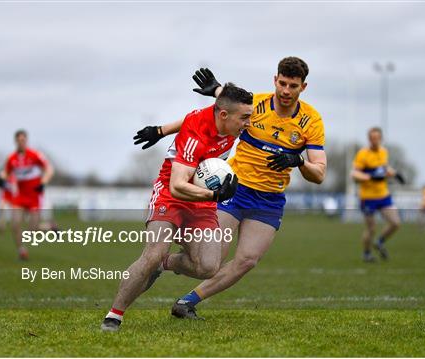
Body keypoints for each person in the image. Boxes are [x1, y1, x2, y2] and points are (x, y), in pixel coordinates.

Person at [141, 57, 327, 319]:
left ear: (303, 87)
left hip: (270, 200)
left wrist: (299, 161)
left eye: (293, 86)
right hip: (234, 190)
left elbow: (319, 173)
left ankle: (186, 302)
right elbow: (205, 116)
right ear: (275, 80)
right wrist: (161, 131)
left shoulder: (311, 121)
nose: (286, 91)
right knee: (212, 257)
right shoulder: (257, 105)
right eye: (282, 83)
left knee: (247, 260)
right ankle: (159, 262)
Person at [101, 83, 253, 331]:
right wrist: (214, 193)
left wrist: (161, 130)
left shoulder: (225, 117)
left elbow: (202, 111)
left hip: (201, 202)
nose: (248, 123)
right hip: (171, 196)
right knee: (152, 253)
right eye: (244, 118)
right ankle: (114, 315)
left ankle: (164, 264)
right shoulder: (196, 136)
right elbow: (177, 185)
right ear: (224, 115)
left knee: (208, 267)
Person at [0, 130, 53, 260]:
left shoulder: (35, 155)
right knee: (15, 224)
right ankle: (22, 251)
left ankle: (49, 227)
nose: (21, 142)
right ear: (15, 141)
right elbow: (5, 172)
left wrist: (43, 182)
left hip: (34, 195)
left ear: (26, 141)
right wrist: (1, 179)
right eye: (19, 140)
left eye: (23, 140)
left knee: (32, 231)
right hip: (20, 196)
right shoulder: (11, 158)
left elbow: (49, 169)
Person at [351, 127, 404, 262]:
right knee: (371, 228)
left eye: (377, 138)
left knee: (396, 223)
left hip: (383, 195)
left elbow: (384, 168)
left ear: (381, 139)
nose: (375, 140)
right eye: (372, 138)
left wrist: (396, 174)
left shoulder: (383, 152)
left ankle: (379, 242)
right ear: (369, 139)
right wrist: (370, 177)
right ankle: (367, 253)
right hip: (368, 197)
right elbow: (354, 174)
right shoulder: (362, 154)